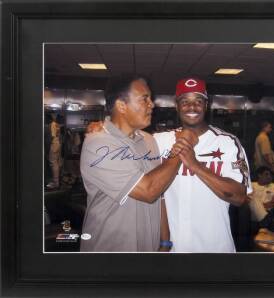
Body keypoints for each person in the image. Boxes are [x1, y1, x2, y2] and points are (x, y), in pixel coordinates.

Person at [79, 76, 197, 252]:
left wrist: (165, 241)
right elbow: (149, 190)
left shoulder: (149, 140)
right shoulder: (98, 144)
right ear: (121, 106)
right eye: (145, 98)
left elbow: (159, 194)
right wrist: (181, 148)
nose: (152, 104)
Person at [153, 77, 252, 252]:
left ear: (206, 105)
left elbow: (239, 197)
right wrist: (102, 127)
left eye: (198, 101)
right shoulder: (158, 141)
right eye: (185, 102)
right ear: (177, 106)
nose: (192, 107)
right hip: (173, 249)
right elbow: (127, 140)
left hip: (215, 249)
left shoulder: (229, 143)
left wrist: (195, 165)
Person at [46, 113, 62, 189]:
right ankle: (56, 181)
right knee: (56, 163)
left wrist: (47, 146)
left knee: (53, 163)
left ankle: (56, 183)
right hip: (58, 143)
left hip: (54, 144)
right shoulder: (57, 124)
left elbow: (52, 136)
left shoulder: (52, 124)